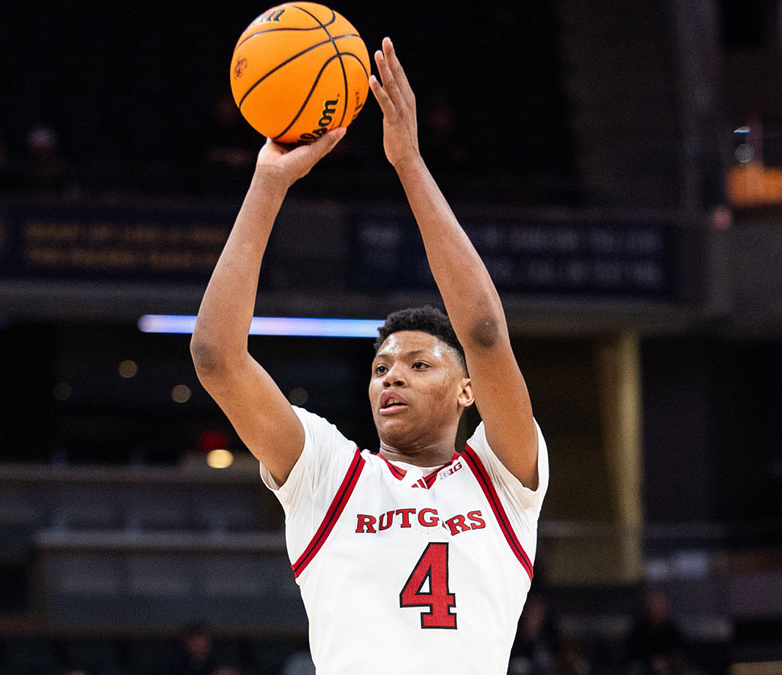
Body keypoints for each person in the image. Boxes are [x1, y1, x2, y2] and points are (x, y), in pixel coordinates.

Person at [191, 38, 548, 674]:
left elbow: (486, 333)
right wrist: (268, 183)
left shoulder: (505, 479)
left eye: (419, 364)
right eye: (381, 367)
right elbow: (218, 357)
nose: (392, 378)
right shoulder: (328, 475)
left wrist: (408, 162)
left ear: (467, 391)